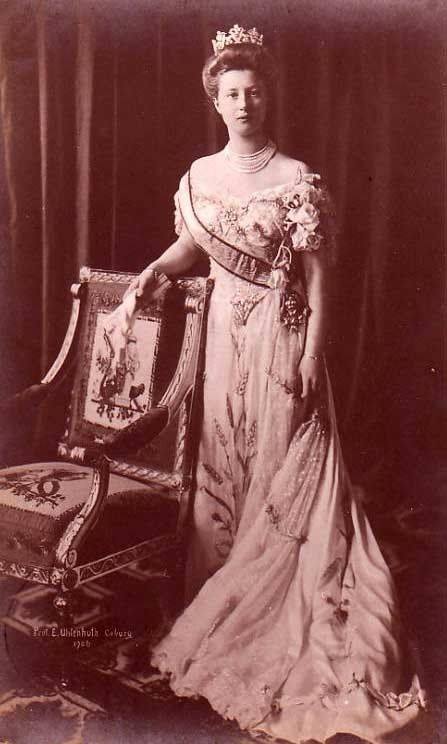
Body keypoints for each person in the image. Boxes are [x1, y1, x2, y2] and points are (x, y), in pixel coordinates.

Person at [127, 24, 432, 744]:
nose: (244, 103)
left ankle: (269, 610)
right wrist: (155, 270)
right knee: (219, 460)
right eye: (232, 93)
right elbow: (192, 246)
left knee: (276, 460)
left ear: (269, 97)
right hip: (220, 342)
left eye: (254, 92)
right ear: (215, 100)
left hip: (281, 337)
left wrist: (308, 357)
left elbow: (321, 285)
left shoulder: (298, 179)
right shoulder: (199, 176)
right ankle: (217, 589)